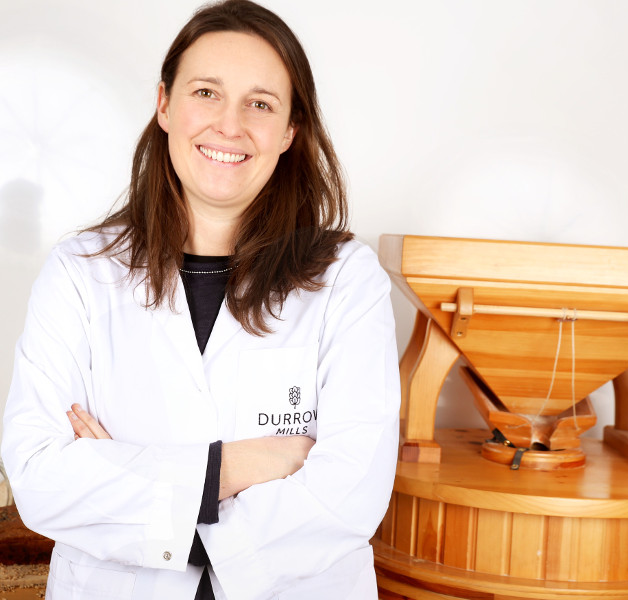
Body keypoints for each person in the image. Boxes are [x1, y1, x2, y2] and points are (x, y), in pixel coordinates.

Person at [1, 1, 400, 598]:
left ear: (290, 130)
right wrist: (234, 468)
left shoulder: (346, 278)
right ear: (164, 104)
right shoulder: (80, 272)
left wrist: (129, 482)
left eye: (260, 103)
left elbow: (350, 492)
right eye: (206, 92)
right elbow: (38, 474)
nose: (229, 126)